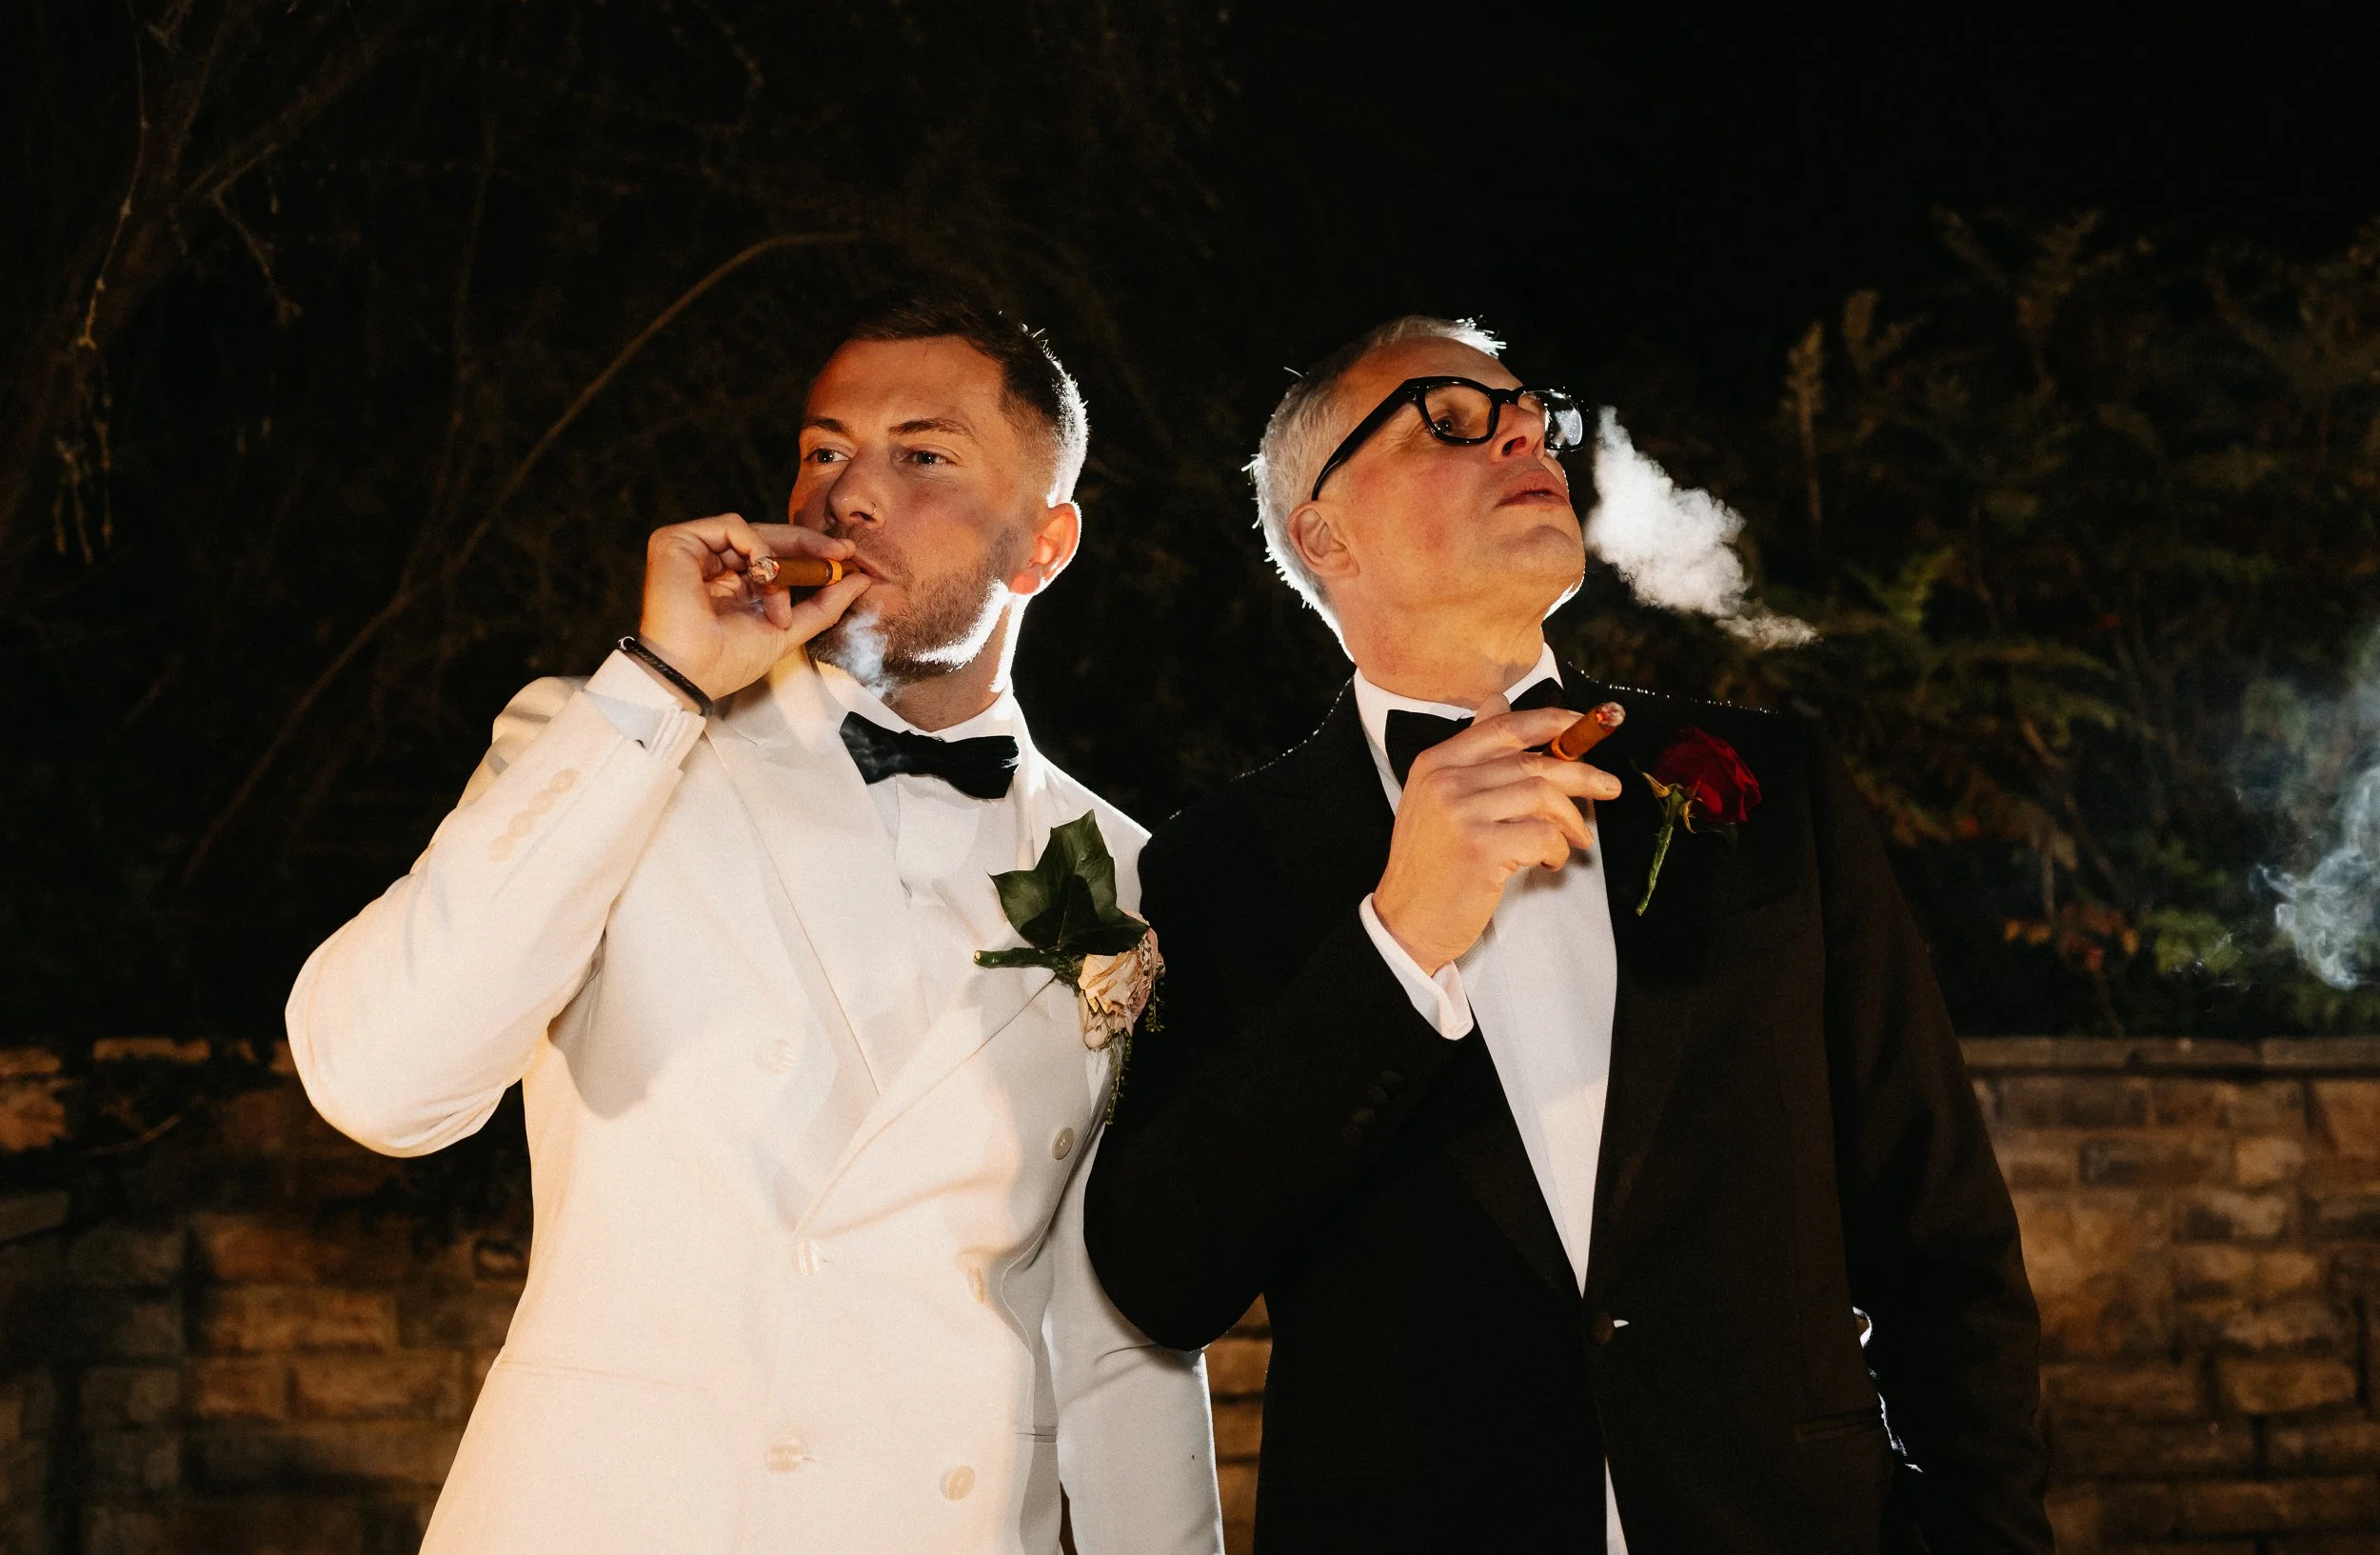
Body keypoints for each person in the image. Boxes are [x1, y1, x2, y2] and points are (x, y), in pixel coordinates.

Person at [1083, 315, 2051, 1552]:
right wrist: (1397, 939)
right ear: (1325, 530)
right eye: (1450, 416)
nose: (1524, 430)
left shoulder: (1773, 789)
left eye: (1529, 410)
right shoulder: (1217, 868)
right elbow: (1163, 1275)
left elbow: (1943, 1240)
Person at [287, 295, 1223, 1555]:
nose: (851, 494)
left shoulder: (1114, 872)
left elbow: (1119, 1327)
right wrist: (664, 685)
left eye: (922, 453)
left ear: (1043, 543)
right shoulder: (610, 737)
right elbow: (379, 1082)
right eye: (825, 449)